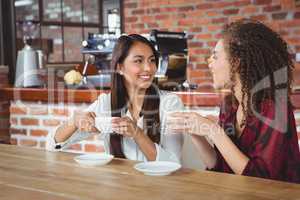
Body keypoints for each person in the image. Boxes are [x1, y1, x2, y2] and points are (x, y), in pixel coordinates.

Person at [167, 19, 300, 183]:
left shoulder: (274, 109)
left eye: (215, 57)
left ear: (236, 62)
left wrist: (214, 131)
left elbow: (261, 180)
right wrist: (195, 133)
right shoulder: (230, 104)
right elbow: (220, 166)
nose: (210, 63)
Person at [46, 34, 184, 163]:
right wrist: (74, 121)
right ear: (120, 68)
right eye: (138, 61)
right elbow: (51, 145)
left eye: (152, 60)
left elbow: (172, 163)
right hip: (118, 185)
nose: (148, 68)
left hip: (158, 186)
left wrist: (137, 133)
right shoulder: (106, 103)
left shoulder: (169, 103)